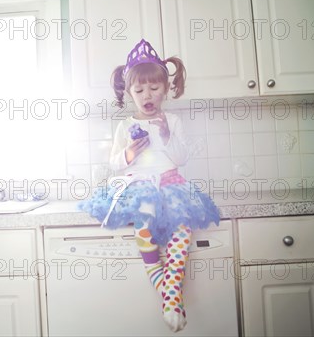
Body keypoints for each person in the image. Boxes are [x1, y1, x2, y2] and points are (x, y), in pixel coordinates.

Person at [79, 39, 220, 332]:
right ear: (130, 93)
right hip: (140, 188)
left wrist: (167, 134)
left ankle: (170, 299)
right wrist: (131, 151)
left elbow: (180, 158)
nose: (148, 95)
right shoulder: (124, 125)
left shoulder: (173, 120)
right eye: (140, 90)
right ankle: (171, 297)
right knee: (146, 236)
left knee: (182, 234)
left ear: (165, 90)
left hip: (172, 186)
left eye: (154, 88)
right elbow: (116, 162)